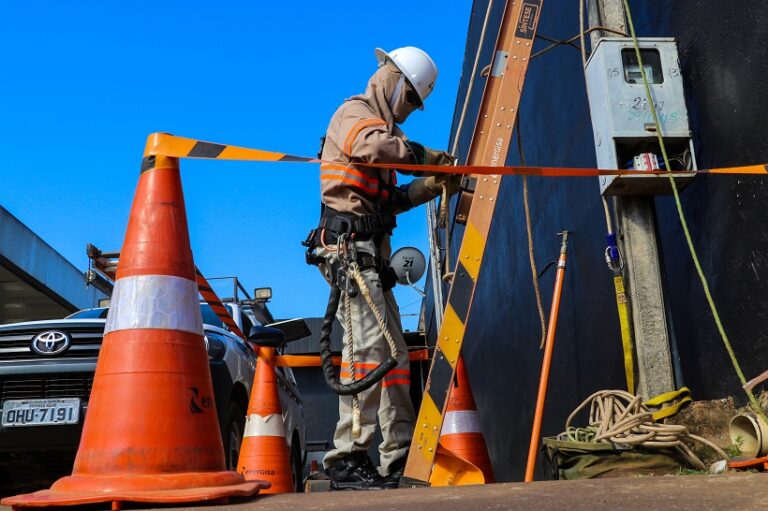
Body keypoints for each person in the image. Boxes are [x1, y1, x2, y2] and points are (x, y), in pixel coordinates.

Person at [304, 46, 460, 490]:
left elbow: (391, 199)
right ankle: (346, 457)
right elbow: (374, 148)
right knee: (366, 355)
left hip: (371, 260)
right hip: (352, 258)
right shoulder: (355, 115)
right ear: (393, 81)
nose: (410, 110)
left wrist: (431, 185)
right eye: (410, 98)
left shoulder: (387, 137)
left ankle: (399, 457)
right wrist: (428, 157)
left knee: (395, 364)